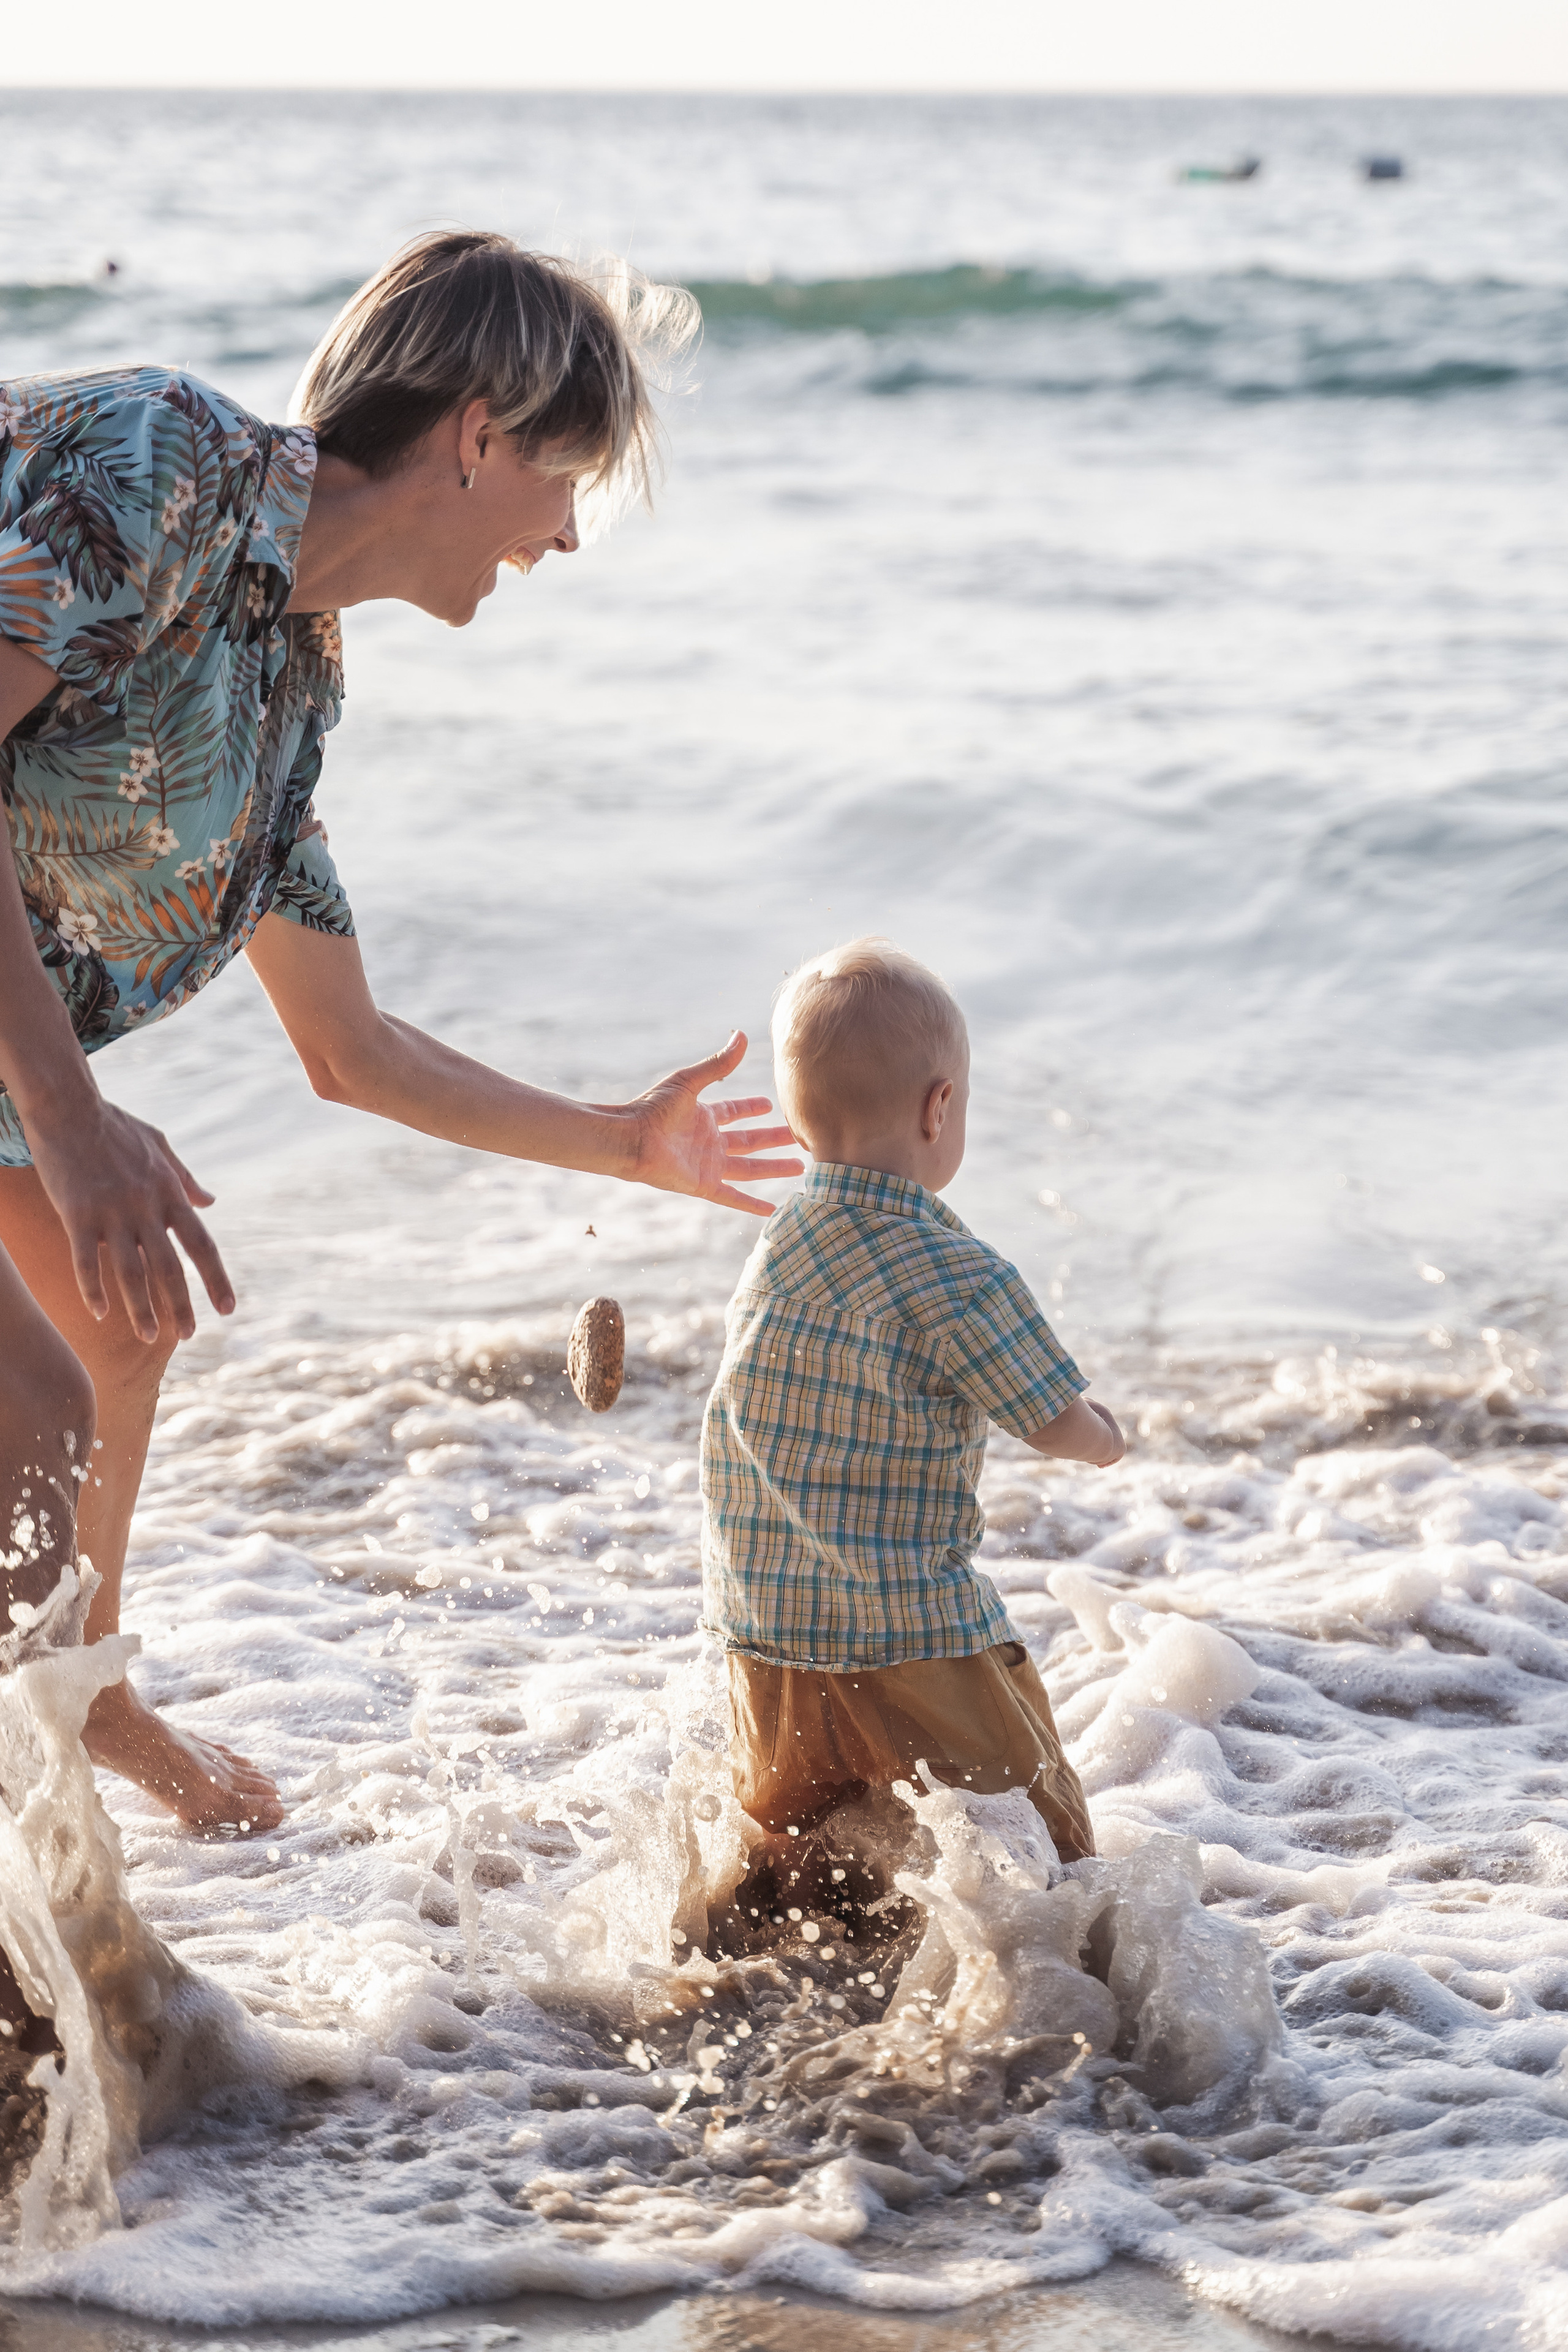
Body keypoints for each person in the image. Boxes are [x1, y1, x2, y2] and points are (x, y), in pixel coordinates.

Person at [0, 230, 802, 1837]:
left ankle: (79, 1723)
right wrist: (79, 1126)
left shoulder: (287, 685)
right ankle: (40, 1918)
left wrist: (623, 1142)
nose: (568, 537)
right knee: (33, 1427)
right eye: (570, 479)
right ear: (478, 432)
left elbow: (348, 1047)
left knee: (117, 1327)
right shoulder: (150, 466)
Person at [699, 937, 1123, 1904]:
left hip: (765, 1630)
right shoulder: (954, 1269)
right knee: (1038, 1840)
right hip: (913, 1635)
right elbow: (1051, 1418)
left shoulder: (781, 1242)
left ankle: (713, 1968)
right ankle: (1073, 1988)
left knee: (786, 1854)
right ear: (941, 1108)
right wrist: (1104, 1435)